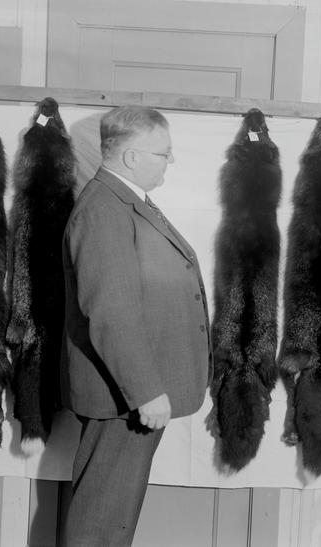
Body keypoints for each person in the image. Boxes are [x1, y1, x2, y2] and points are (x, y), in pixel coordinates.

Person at [59, 105, 212, 546]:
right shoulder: (104, 210)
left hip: (128, 393)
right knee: (101, 521)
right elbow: (111, 310)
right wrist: (144, 390)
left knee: (112, 516)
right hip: (122, 397)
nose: (171, 161)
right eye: (163, 153)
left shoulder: (124, 201)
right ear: (131, 157)